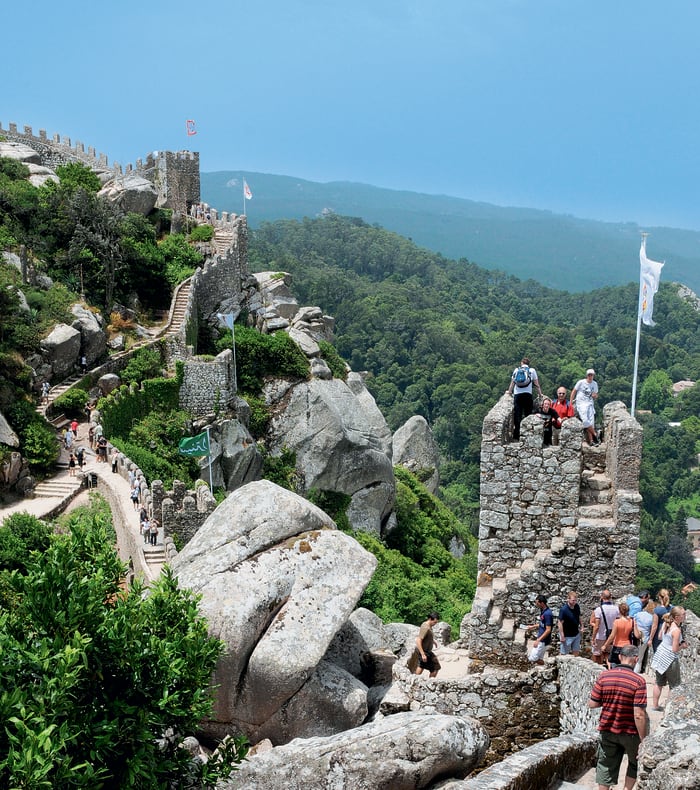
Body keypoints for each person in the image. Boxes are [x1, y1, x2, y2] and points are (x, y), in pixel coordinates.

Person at [588, 644, 647, 790]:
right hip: (630, 732)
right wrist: (644, 740)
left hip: (608, 729)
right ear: (636, 659)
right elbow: (639, 714)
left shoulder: (604, 676)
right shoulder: (638, 681)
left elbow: (592, 704)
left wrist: (610, 699)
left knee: (606, 765)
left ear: (620, 657)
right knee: (634, 763)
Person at [650, 606, 687, 711]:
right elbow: (675, 649)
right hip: (670, 659)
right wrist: (683, 646)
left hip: (660, 655)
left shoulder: (666, 624)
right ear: (677, 617)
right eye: (683, 614)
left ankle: (655, 706)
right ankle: (669, 709)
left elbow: (660, 637)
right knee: (674, 685)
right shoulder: (676, 630)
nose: (685, 616)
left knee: (659, 683)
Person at [506, 357, 544, 440]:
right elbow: (536, 384)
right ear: (528, 363)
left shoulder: (516, 370)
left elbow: (512, 383)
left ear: (521, 363)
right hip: (527, 395)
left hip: (517, 395)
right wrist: (540, 394)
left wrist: (509, 392)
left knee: (517, 415)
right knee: (528, 414)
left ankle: (516, 435)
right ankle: (527, 434)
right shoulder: (532, 370)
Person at [602, 601, 636, 667]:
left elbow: (612, 636)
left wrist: (605, 645)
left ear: (619, 611)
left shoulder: (617, 622)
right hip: (627, 645)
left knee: (614, 663)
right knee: (624, 664)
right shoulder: (631, 621)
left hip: (617, 645)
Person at [590, 590, 620, 665]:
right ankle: (609, 670)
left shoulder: (599, 610)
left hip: (600, 636)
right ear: (610, 597)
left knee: (597, 655)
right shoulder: (616, 609)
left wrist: (593, 638)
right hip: (611, 636)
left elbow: (596, 626)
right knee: (608, 654)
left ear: (602, 597)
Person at [571, 369, 599, 445]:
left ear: (593, 376)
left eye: (592, 375)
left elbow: (596, 395)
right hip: (581, 404)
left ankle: (592, 441)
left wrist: (595, 396)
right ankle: (595, 435)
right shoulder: (581, 382)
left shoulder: (594, 384)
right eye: (589, 375)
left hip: (590, 404)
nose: (590, 376)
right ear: (587, 375)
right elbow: (574, 391)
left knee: (591, 422)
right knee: (585, 421)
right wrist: (571, 402)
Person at [525, 594, 553, 664]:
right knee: (539, 658)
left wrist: (538, 640)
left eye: (537, 603)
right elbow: (542, 624)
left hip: (542, 640)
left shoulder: (547, 614)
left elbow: (548, 629)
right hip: (541, 639)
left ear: (542, 603)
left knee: (532, 658)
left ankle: (547, 665)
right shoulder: (543, 611)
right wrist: (533, 626)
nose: (536, 604)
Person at [412, 612, 441, 677]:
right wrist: (423, 654)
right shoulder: (426, 628)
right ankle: (430, 683)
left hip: (426, 651)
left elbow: (426, 636)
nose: (435, 624)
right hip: (425, 652)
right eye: (434, 622)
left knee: (421, 666)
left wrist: (432, 641)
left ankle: (414, 680)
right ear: (430, 619)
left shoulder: (428, 626)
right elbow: (418, 640)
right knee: (435, 668)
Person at [633, 598, 654, 674]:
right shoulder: (652, 618)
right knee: (640, 659)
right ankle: (636, 673)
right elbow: (652, 629)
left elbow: (633, 621)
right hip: (644, 639)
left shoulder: (638, 614)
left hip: (635, 635)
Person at [648, 588, 672, 654]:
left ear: (659, 597)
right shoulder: (673, 608)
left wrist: (650, 639)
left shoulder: (657, 610)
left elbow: (654, 626)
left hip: (659, 634)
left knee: (658, 653)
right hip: (669, 633)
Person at [558, 590, 582, 656]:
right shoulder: (564, 610)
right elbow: (560, 623)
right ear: (568, 599)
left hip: (576, 634)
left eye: (575, 600)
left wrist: (582, 626)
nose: (574, 602)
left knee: (576, 652)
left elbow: (579, 616)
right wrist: (562, 635)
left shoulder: (577, 607)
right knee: (564, 653)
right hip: (567, 635)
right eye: (573, 600)